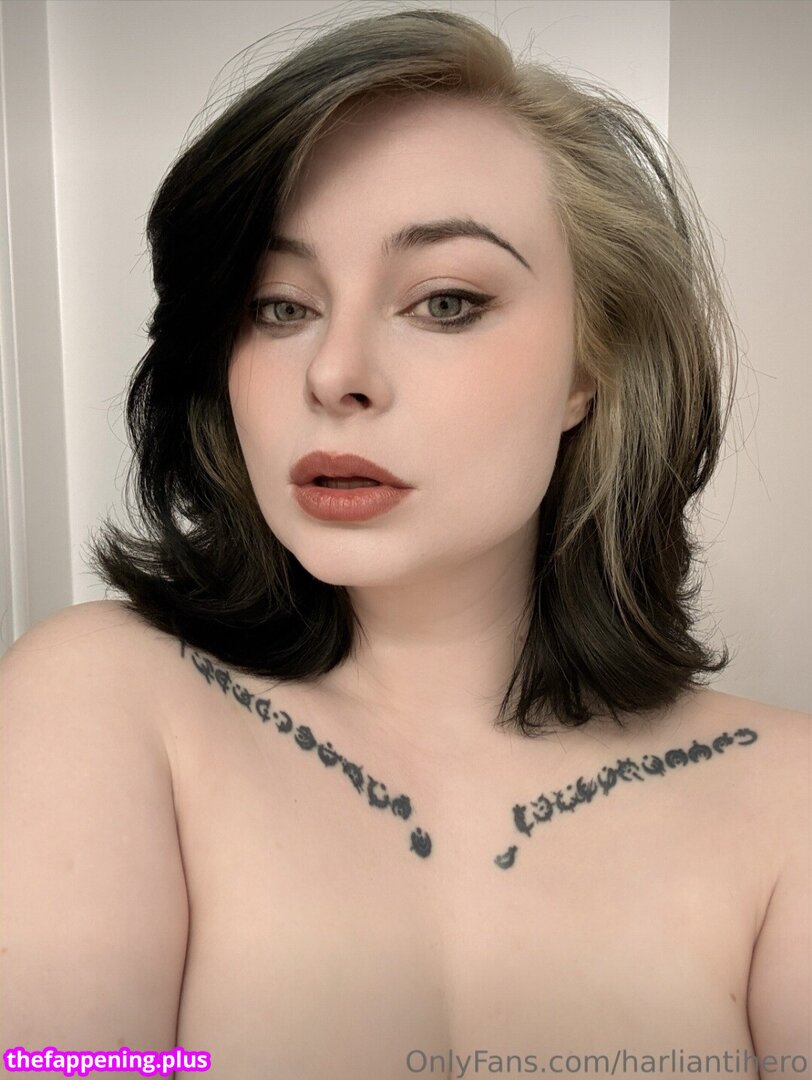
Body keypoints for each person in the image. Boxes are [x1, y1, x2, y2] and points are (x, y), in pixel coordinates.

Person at [1, 8, 809, 1080]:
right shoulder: (106, 703)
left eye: (445, 302)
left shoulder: (786, 803)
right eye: (278, 307)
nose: (334, 374)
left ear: (589, 364)